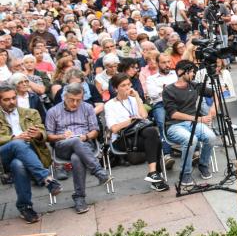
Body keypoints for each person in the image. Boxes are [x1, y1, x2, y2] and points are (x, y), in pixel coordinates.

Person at [45, 82, 112, 214]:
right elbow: (49, 136)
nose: (75, 103)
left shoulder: (87, 108)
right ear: (64, 97)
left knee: (76, 158)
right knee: (74, 141)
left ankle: (79, 197)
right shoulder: (53, 111)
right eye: (72, 100)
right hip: (62, 145)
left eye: (78, 100)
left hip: (84, 144)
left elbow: (95, 131)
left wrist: (85, 137)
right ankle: (98, 171)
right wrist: (61, 136)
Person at [0, 84, 62, 223]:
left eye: (13, 98)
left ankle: (25, 207)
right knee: (17, 143)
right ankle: (46, 178)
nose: (11, 102)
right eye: (6, 99)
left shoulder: (30, 113)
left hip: (29, 153)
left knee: (18, 165)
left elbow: (44, 134)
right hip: (4, 154)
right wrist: (13, 138)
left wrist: (38, 134)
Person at [104, 73, 169, 192]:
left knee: (151, 133)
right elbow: (113, 129)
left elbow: (144, 116)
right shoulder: (109, 105)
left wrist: (138, 97)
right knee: (155, 139)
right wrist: (131, 120)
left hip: (139, 135)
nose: (127, 88)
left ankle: (153, 173)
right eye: (123, 85)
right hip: (122, 139)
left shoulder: (134, 99)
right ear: (115, 88)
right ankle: (155, 177)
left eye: (129, 84)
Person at [163, 60, 217, 187]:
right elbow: (173, 114)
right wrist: (197, 119)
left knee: (211, 137)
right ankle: (185, 174)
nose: (193, 74)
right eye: (192, 72)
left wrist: (213, 108)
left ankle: (203, 164)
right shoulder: (168, 90)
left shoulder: (194, 86)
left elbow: (216, 93)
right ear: (182, 72)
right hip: (174, 125)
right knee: (190, 140)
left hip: (193, 123)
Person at [145, 53, 177, 166]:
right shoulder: (151, 78)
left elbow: (182, 89)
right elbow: (153, 94)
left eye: (168, 62)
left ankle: (195, 151)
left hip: (178, 103)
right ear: (158, 64)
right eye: (164, 62)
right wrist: (172, 89)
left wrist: (164, 89)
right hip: (160, 104)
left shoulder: (177, 74)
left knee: (189, 118)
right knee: (161, 122)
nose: (167, 65)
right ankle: (167, 155)